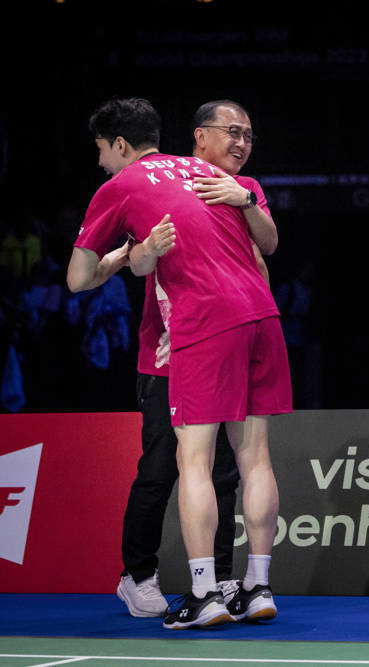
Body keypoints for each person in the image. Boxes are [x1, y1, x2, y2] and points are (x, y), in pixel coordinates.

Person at [69, 97, 291, 629]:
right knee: (246, 460)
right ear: (196, 137)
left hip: (201, 331)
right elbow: (154, 261)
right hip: (257, 320)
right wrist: (137, 252)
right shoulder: (205, 175)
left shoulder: (125, 186)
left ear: (119, 145)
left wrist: (131, 258)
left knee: (196, 465)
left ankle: (204, 592)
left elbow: (77, 281)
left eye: (101, 150)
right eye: (231, 132)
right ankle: (253, 586)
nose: (100, 161)